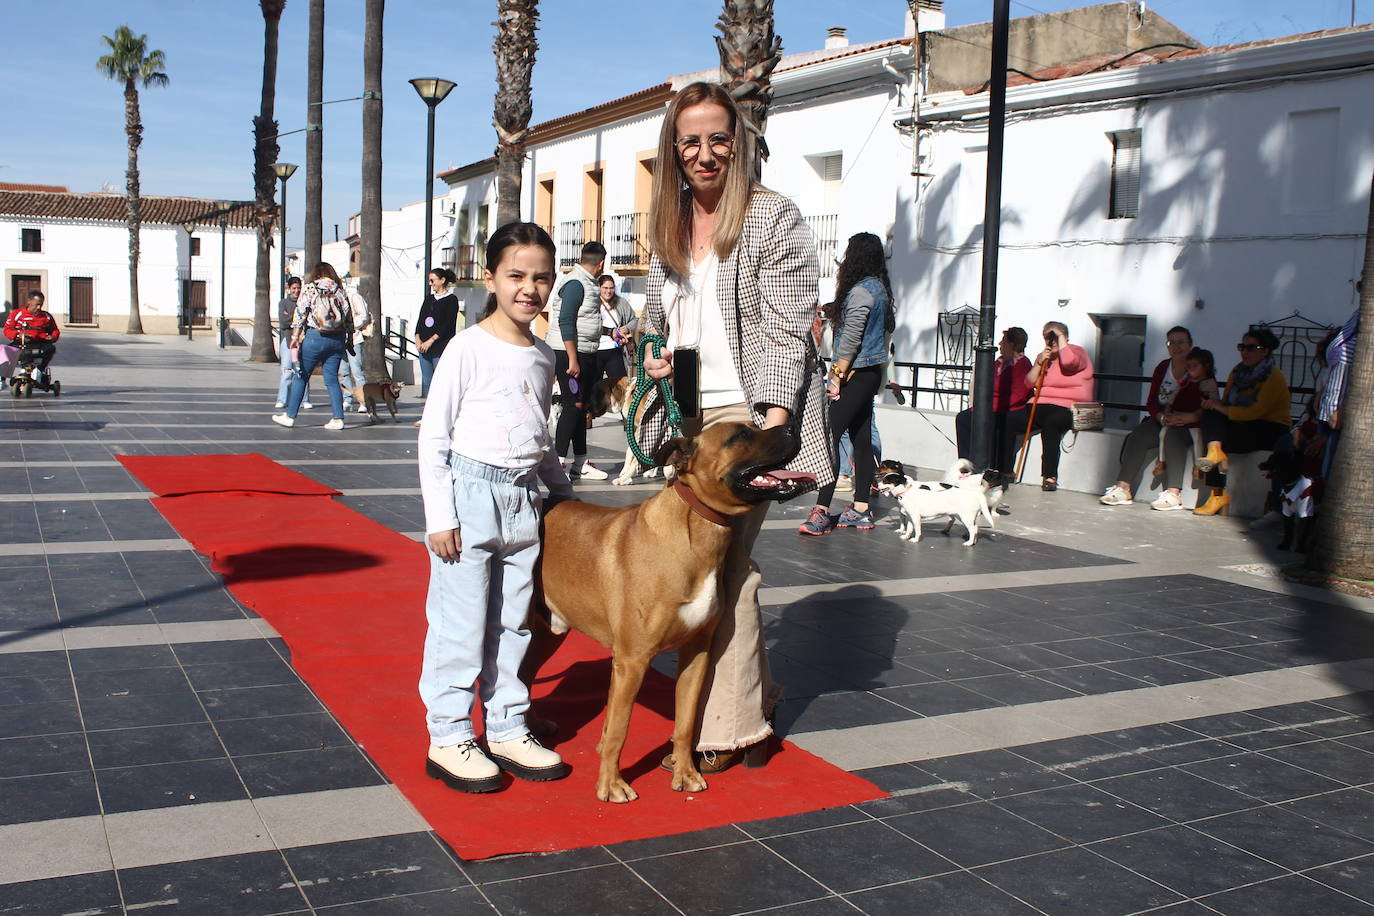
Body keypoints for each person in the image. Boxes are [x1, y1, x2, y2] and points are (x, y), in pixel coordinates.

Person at [639, 81, 831, 771]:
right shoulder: (666, 221)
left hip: (750, 417)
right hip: (691, 418)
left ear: (739, 142)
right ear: (674, 149)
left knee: (728, 569)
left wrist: (772, 433)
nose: (705, 152)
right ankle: (758, 693)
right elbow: (668, 318)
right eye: (690, 140)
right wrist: (660, 357)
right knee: (701, 566)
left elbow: (787, 330)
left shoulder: (773, 217)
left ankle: (728, 725)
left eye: (718, 137)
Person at [416, 221, 573, 792]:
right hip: (470, 496)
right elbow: (434, 435)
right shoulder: (468, 346)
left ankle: (507, 724)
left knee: (514, 622)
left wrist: (563, 497)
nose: (529, 288)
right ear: (491, 278)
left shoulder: (543, 354)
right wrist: (441, 516)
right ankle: (450, 733)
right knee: (459, 624)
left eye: (540, 277)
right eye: (516, 276)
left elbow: (540, 434)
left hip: (524, 499)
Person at [798, 232, 894, 535]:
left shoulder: (860, 293)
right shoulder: (880, 289)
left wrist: (836, 377)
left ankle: (822, 511)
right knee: (862, 438)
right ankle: (861, 509)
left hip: (854, 373)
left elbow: (851, 339)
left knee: (830, 435)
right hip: (871, 373)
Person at [1098, 326, 1201, 511]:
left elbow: (1207, 400)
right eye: (1171, 343)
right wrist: (1160, 416)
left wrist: (1188, 417)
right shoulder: (1163, 367)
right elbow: (1152, 401)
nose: (1176, 347)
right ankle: (1123, 488)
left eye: (1181, 342)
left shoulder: (1199, 368)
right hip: (1163, 418)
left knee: (1174, 437)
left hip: (1188, 423)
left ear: (1190, 345)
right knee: (1138, 436)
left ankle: (1174, 493)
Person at [1194, 328, 1291, 516]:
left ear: (1265, 351)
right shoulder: (1237, 371)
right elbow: (1226, 401)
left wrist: (1219, 408)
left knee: (1218, 430)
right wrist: (1213, 406)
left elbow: (1255, 412)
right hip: (1241, 422)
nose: (1244, 352)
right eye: (1242, 347)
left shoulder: (1274, 376)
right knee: (1210, 419)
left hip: (1269, 428)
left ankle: (1216, 470)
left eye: (1251, 348)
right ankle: (1216, 479)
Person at [547, 242, 613, 479]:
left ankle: (580, 462)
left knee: (582, 408)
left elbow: (586, 322)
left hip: (584, 350)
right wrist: (572, 359)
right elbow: (566, 320)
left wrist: (608, 333)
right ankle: (559, 464)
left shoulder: (586, 283)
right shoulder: (576, 283)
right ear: (601, 263)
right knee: (572, 406)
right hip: (570, 354)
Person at [272, 263, 364, 430]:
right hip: (336, 339)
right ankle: (338, 418)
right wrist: (349, 338)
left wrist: (295, 336)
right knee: (331, 379)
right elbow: (349, 317)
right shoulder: (339, 290)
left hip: (315, 337)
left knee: (301, 376)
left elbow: (300, 313)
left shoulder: (310, 288)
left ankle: (290, 416)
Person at [1024, 321, 1094, 492]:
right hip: (1040, 404)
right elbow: (1028, 383)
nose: (1052, 340)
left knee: (1052, 423)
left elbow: (1070, 363)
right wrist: (1040, 362)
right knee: (1009, 419)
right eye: (1048, 337)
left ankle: (1049, 476)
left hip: (1069, 407)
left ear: (1065, 337)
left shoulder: (1078, 352)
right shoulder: (1044, 357)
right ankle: (1002, 470)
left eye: (1055, 336)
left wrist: (1060, 337)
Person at [954, 326, 1032, 476]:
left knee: (992, 422)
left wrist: (991, 404)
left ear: (1012, 344)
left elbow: (1017, 395)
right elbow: (985, 385)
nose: (1000, 344)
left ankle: (989, 466)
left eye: (1004, 341)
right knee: (963, 418)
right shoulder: (999, 362)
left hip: (1006, 409)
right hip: (990, 406)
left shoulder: (1023, 364)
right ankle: (966, 463)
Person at [415, 268, 459, 399]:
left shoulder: (451, 300)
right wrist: (418, 338)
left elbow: (447, 325)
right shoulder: (429, 299)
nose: (430, 283)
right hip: (423, 347)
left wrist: (431, 340)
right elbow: (421, 320)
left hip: (439, 346)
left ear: (442, 280)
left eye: (432, 280)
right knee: (427, 382)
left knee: (440, 381)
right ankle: (427, 413)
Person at [275, 277, 312, 410]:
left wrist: (292, 317)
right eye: (294, 288)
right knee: (287, 371)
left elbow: (308, 320)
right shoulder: (283, 303)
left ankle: (305, 399)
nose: (296, 291)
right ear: (289, 289)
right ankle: (282, 399)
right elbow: (283, 322)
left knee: (303, 371)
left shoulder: (306, 302)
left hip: (303, 340)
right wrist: (298, 318)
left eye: (298, 288)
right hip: (287, 340)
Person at [4, 290, 60, 378]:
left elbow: (55, 330)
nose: (39, 307)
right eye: (37, 304)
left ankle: (39, 370)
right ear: (29, 301)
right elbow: (7, 330)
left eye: (41, 305)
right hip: (21, 343)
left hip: (39, 343)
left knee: (51, 349)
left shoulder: (46, 316)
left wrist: (53, 337)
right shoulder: (16, 313)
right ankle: (1, 380)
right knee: (5, 351)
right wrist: (18, 335)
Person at [338, 280, 373, 413]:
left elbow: (363, 315)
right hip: (341, 339)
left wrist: (350, 326)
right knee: (343, 372)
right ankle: (347, 399)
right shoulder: (336, 297)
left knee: (357, 371)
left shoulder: (353, 296)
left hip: (354, 339)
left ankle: (363, 400)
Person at [596, 273, 639, 376]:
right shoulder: (593, 303)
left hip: (615, 349)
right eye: (605, 288)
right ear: (599, 288)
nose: (608, 291)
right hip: (596, 350)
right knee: (594, 385)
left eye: (611, 288)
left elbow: (634, 320)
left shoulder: (621, 303)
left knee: (619, 383)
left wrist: (627, 328)